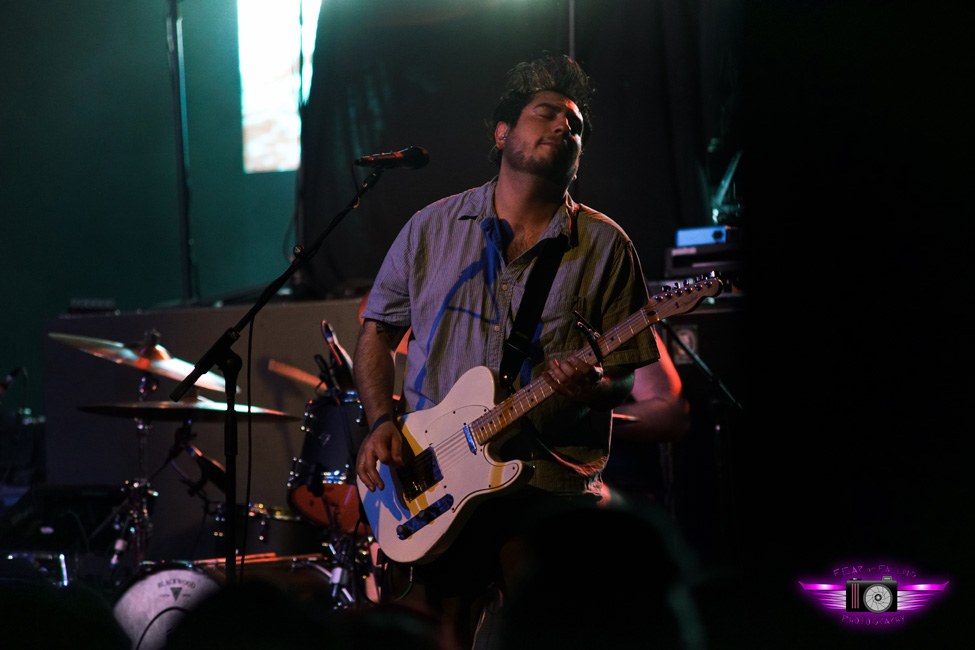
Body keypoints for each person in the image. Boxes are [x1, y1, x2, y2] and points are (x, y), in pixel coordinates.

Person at [353, 54, 660, 648]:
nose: (563, 128)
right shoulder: (429, 229)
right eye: (547, 113)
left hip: (551, 482)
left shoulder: (605, 245)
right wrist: (380, 422)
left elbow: (623, 379)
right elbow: (376, 330)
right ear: (501, 133)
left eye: (575, 127)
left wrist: (593, 384)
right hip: (437, 475)